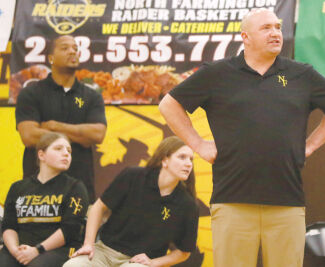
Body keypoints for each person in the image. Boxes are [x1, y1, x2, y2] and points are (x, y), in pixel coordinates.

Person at [158, 8, 325, 267]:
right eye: (266, 28)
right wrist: (198, 144)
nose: (275, 33)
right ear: (245, 37)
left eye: (277, 27)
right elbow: (169, 105)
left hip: (287, 203)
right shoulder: (217, 74)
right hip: (231, 202)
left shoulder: (301, 74)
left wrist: (311, 145)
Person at [63, 136, 199, 267]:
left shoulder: (188, 204)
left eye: (191, 159)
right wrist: (88, 244)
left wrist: (153, 263)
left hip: (139, 262)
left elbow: (184, 252)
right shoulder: (133, 176)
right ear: (165, 160)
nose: (188, 163)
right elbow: (98, 208)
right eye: (182, 157)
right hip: (104, 252)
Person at [15, 35, 107, 202]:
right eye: (65, 48)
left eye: (75, 48)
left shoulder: (92, 95)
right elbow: (29, 136)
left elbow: (97, 134)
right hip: (37, 189)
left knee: (78, 227)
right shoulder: (31, 92)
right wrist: (78, 135)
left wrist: (54, 126)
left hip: (80, 187)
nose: (72, 51)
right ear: (51, 58)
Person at [0, 132, 89, 267]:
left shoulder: (75, 187)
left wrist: (37, 250)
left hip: (60, 249)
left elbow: (70, 230)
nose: (66, 153)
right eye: (58, 149)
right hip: (20, 248)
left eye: (69, 150)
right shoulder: (18, 187)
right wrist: (15, 251)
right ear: (41, 155)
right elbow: (9, 226)